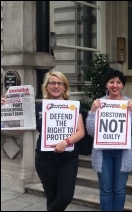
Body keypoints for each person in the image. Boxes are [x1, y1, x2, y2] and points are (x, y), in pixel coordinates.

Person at [85, 68, 132, 211]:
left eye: (118, 82)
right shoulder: (99, 103)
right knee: (105, 190)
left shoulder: (130, 103)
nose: (115, 85)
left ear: (123, 85)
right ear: (106, 85)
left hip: (123, 153)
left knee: (120, 189)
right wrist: (92, 111)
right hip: (103, 153)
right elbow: (91, 131)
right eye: (111, 82)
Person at [34, 70, 85, 211]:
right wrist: (5, 106)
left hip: (68, 159)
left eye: (59, 83)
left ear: (64, 87)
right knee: (52, 197)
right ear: (46, 86)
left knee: (65, 197)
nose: (56, 86)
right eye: (52, 83)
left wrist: (66, 142)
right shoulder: (38, 107)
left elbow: (81, 132)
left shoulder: (73, 106)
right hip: (44, 159)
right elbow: (20, 128)